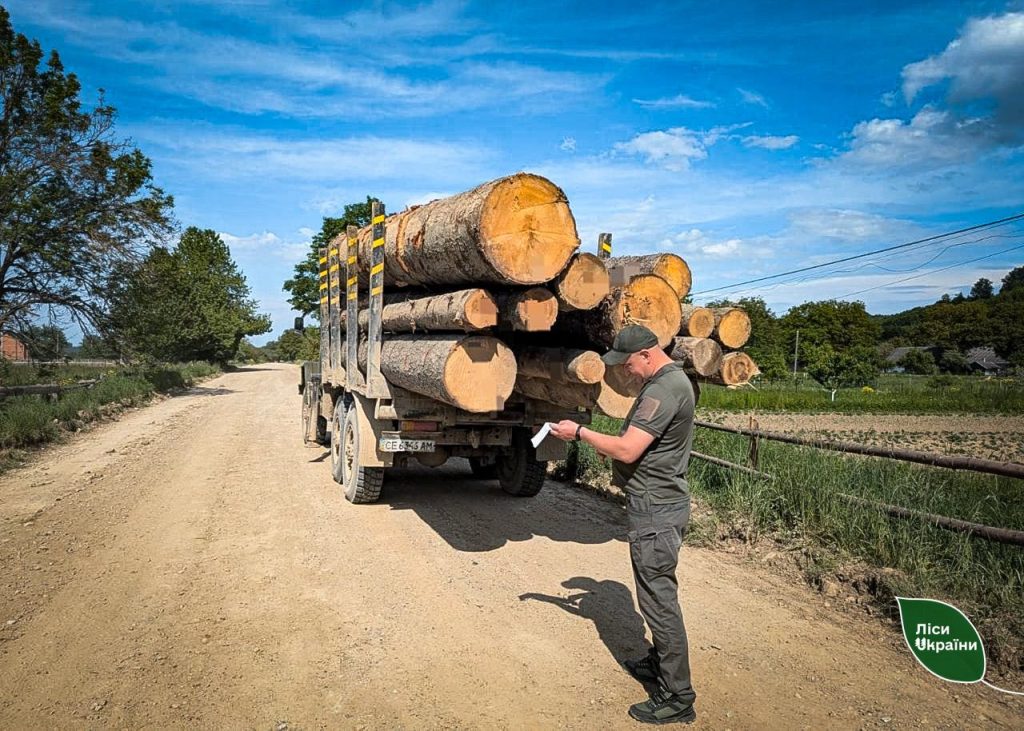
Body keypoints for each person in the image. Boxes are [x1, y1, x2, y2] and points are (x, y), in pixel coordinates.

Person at [549, 324, 698, 725]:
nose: (627, 371)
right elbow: (639, 446)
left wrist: (579, 432)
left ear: (648, 354)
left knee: (658, 602)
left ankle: (677, 695)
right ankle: (659, 663)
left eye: (629, 363)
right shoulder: (670, 382)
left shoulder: (664, 390)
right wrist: (612, 452)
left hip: (656, 509)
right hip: (659, 504)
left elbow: (631, 447)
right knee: (655, 593)